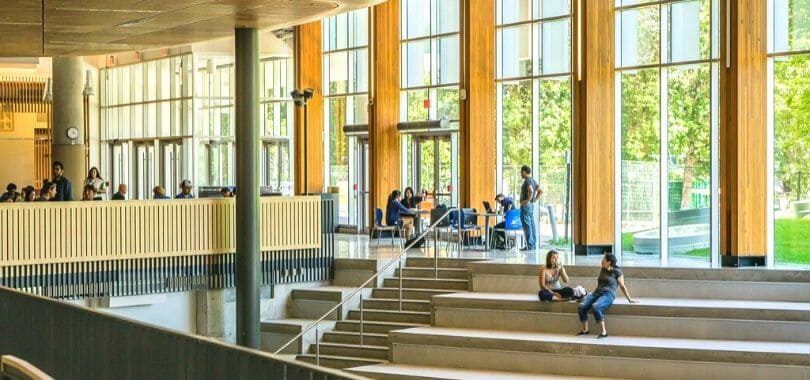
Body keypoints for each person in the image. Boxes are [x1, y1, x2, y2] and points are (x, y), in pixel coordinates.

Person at [577, 253, 637, 339]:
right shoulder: (603, 269)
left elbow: (622, 286)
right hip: (597, 292)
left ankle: (604, 332)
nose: (601, 261)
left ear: (609, 262)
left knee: (596, 306)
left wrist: (629, 299)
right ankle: (585, 330)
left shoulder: (617, 271)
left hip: (608, 294)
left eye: (603, 260)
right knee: (582, 307)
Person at [519, 165, 541, 250]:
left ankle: (529, 245)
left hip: (526, 206)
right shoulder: (533, 180)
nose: (521, 174)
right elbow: (540, 191)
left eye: (521, 172)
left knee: (527, 225)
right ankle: (533, 244)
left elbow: (531, 190)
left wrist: (527, 200)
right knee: (531, 224)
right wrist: (534, 200)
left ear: (524, 171)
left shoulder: (527, 181)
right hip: (531, 206)